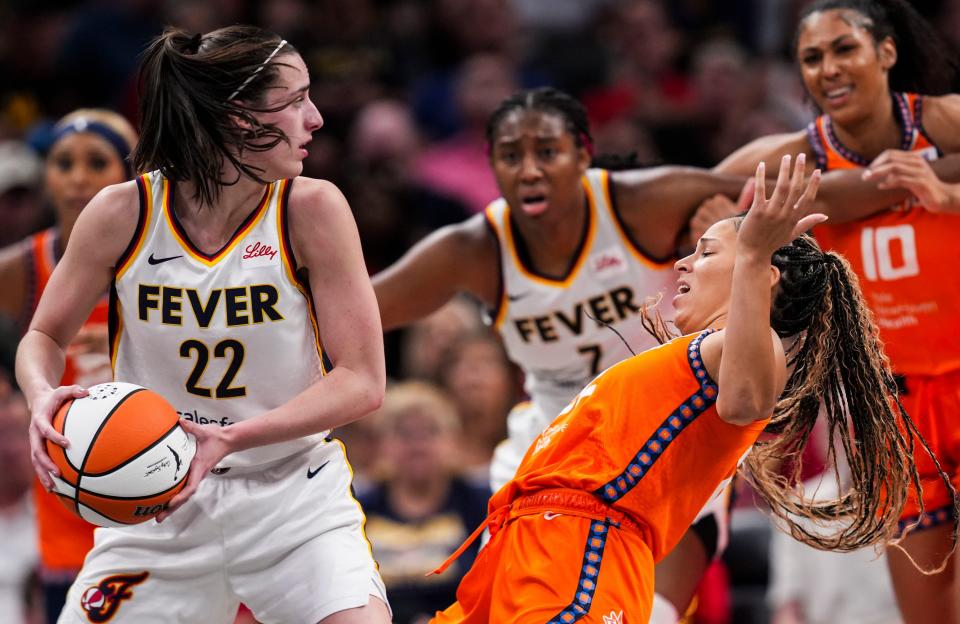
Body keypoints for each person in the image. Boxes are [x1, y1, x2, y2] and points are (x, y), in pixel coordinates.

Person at [373, 86, 922, 623]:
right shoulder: (690, 347)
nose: (680, 263)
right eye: (511, 156)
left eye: (703, 251)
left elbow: (748, 399)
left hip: (584, 538)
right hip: (532, 524)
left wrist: (752, 253)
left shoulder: (735, 347)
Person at [16, 26, 389, 624]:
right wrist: (40, 397)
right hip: (155, 498)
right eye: (295, 101)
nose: (315, 119)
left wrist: (234, 438)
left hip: (289, 493)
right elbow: (41, 336)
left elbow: (363, 382)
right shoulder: (123, 212)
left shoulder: (312, 209)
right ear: (240, 117)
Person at [712, 2, 960, 621]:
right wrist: (705, 217)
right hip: (890, 406)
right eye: (812, 58)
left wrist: (947, 192)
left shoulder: (946, 121)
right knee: (926, 611)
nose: (829, 68)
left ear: (886, 52)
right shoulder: (788, 157)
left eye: (844, 49)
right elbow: (693, 198)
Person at [0, 109, 137, 623]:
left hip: (147, 457)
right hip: (65, 475)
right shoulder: (23, 266)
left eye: (96, 162)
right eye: (63, 163)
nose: (78, 177)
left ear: (129, 173)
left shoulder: (159, 259)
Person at [359, 381, 490, 624]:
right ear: (382, 444)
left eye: (430, 431)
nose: (417, 444)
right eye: (404, 433)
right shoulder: (358, 508)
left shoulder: (481, 504)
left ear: (454, 440)